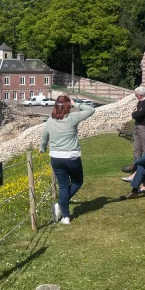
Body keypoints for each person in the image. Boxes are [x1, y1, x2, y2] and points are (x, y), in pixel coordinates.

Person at [40, 95, 95, 225]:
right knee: (77, 181)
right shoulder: (72, 118)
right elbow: (91, 110)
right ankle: (60, 205)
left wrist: (42, 149)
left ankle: (65, 217)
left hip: (56, 158)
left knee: (63, 186)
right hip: (72, 157)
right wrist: (76, 104)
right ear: (68, 106)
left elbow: (44, 139)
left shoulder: (49, 121)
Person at [122, 86, 145, 183]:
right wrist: (136, 112)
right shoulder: (141, 102)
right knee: (136, 148)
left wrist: (135, 113)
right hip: (138, 126)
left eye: (136, 95)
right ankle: (136, 169)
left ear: (140, 95)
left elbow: (137, 114)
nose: (136, 97)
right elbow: (137, 113)